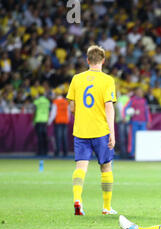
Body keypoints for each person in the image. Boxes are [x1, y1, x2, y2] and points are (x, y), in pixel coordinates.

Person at [66, 45, 117, 216]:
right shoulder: (107, 80)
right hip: (101, 130)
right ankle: (106, 207)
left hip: (81, 130)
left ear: (87, 61)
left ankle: (77, 199)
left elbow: (72, 106)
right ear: (103, 61)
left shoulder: (76, 79)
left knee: (81, 167)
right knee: (106, 167)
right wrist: (112, 132)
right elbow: (109, 108)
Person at [123, 87, 151, 158]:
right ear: (135, 92)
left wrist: (148, 121)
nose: (140, 93)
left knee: (143, 138)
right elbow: (125, 108)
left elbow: (146, 112)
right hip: (134, 122)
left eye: (141, 91)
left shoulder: (144, 101)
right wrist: (125, 117)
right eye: (138, 91)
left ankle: (142, 153)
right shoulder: (132, 100)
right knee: (133, 138)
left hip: (143, 122)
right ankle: (132, 154)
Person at [48, 88, 70, 157]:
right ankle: (65, 152)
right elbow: (68, 112)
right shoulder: (66, 102)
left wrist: (49, 122)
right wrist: (67, 119)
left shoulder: (55, 102)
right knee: (64, 137)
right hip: (65, 121)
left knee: (58, 137)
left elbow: (53, 113)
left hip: (58, 121)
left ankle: (57, 152)